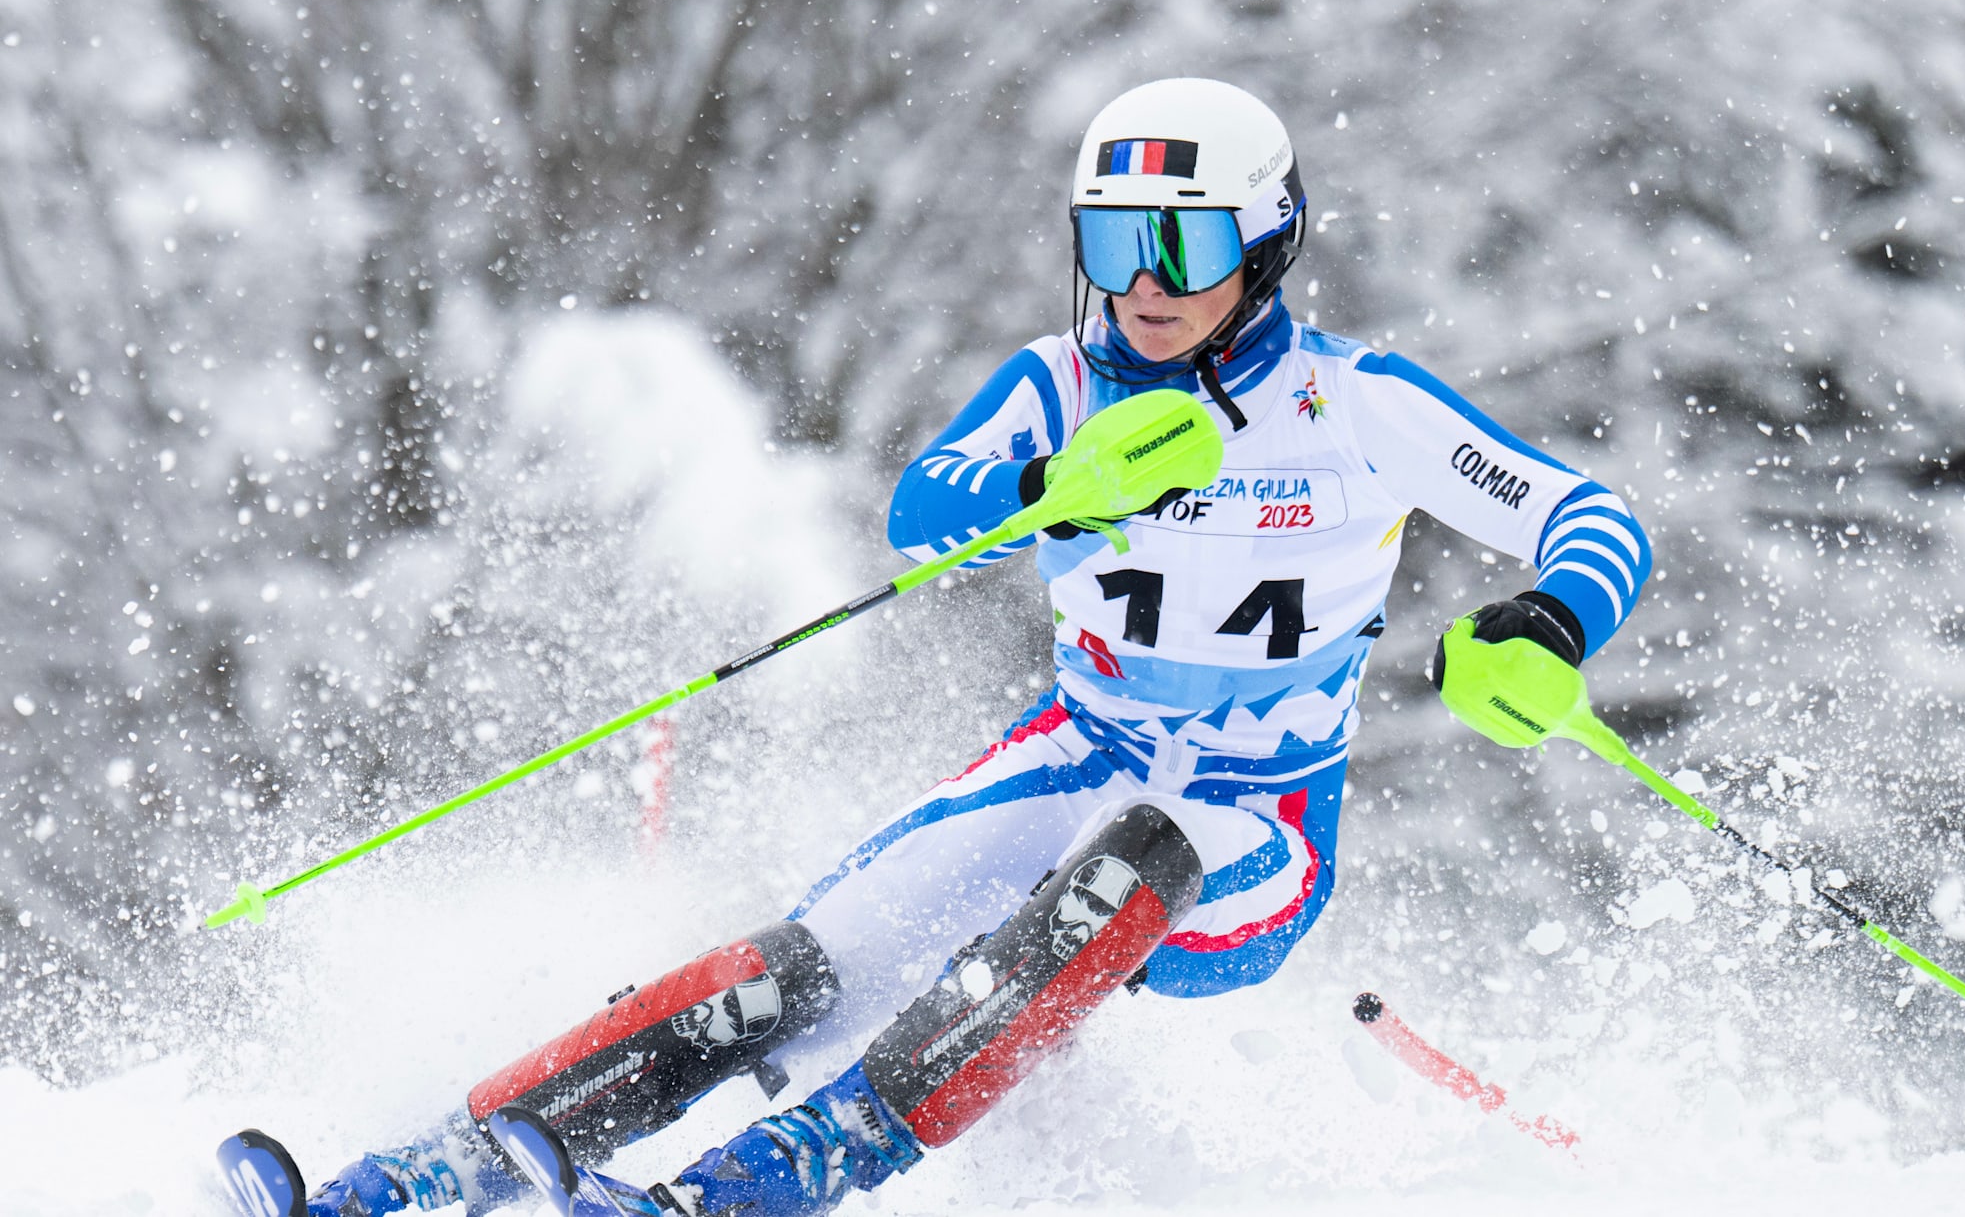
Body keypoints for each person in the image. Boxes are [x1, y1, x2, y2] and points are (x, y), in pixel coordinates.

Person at [217, 77, 1652, 1217]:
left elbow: (1591, 519)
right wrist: (1052, 489)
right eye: (1112, 244)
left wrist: (1550, 616)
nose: (1144, 285)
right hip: (1072, 749)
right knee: (801, 964)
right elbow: (927, 509)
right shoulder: (1063, 381)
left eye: (1186, 246)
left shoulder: (1361, 404)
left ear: (1267, 246)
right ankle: (429, 1172)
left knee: (1123, 873)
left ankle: (765, 1186)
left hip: (1254, 817)